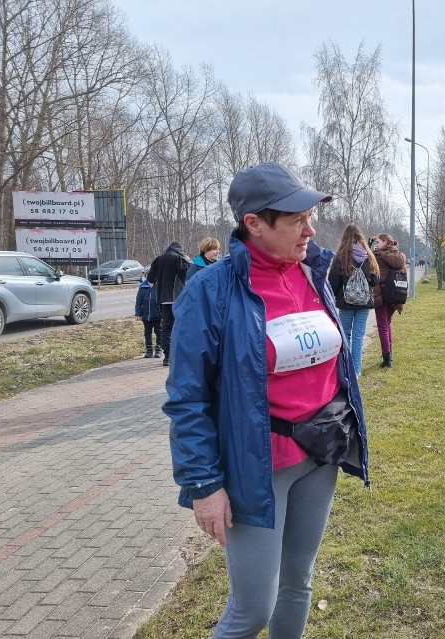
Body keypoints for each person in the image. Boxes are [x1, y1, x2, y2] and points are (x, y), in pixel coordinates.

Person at [164, 162, 369, 639]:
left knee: (298, 583)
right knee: (253, 608)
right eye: (297, 220)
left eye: (310, 217)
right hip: (258, 468)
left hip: (321, 454)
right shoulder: (211, 291)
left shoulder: (314, 272)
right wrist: (203, 485)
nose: (311, 230)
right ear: (254, 224)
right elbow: (186, 399)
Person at [328, 223, 380, 375]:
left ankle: (345, 370)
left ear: (345, 238)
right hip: (364, 303)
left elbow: (332, 283)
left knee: (345, 335)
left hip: (346, 303)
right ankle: (356, 371)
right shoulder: (368, 255)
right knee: (358, 336)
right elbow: (375, 280)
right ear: (361, 237)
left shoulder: (341, 257)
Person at [147, 241, 190, 366]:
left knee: (166, 328)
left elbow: (150, 279)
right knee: (180, 327)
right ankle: (179, 354)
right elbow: (185, 275)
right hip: (178, 298)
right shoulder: (179, 259)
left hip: (163, 299)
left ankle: (167, 357)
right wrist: (187, 262)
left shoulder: (158, 260)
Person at [371, 233, 406, 368]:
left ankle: (387, 358)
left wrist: (372, 246)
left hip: (382, 294)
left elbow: (368, 260)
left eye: (378, 241)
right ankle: (389, 353)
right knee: (388, 323)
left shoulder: (379, 255)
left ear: (385, 242)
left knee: (382, 326)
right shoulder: (398, 254)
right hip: (395, 294)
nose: (377, 244)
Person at [134, 270, 162, 358]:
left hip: (157, 315)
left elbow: (163, 301)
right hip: (146, 315)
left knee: (159, 332)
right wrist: (138, 313)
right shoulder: (143, 287)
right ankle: (149, 349)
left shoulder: (160, 287)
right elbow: (138, 302)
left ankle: (159, 349)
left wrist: (163, 314)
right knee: (147, 332)